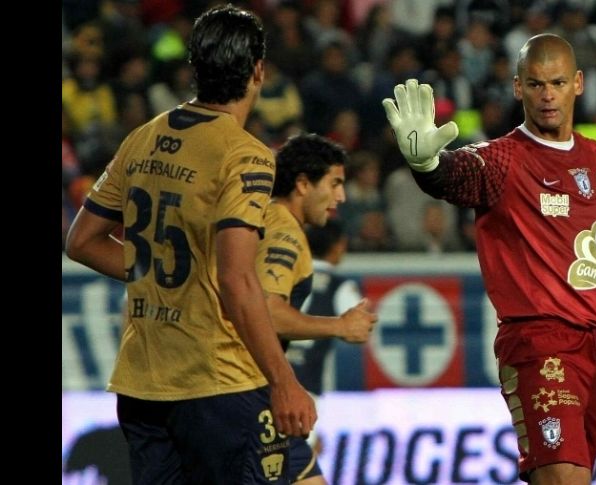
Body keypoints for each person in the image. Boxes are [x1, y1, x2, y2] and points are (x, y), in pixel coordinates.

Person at [382, 33, 596, 484]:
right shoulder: (503, 159)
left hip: (594, 345)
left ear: (578, 83)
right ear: (518, 87)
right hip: (539, 345)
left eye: (557, 83)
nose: (547, 95)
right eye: (536, 84)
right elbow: (455, 176)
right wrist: (428, 165)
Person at [65, 5, 316, 484]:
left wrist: (151, 269)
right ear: (258, 70)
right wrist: (284, 381)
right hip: (216, 383)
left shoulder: (143, 137)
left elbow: (81, 241)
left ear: (195, 69)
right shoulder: (246, 156)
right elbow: (237, 280)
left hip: (141, 383)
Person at [257, 133, 377, 484]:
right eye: (335, 183)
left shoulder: (264, 221)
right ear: (303, 184)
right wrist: (339, 326)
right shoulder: (285, 234)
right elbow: (267, 312)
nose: (341, 196)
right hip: (250, 399)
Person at [289, 218, 363, 452]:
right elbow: (358, 332)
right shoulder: (339, 286)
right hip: (307, 386)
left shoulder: (284, 274)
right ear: (339, 245)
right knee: (299, 464)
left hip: (266, 377)